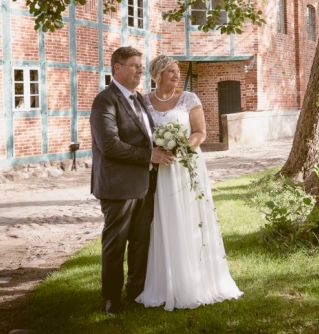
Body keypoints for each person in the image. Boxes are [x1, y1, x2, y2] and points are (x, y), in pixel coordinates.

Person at [136, 55, 243, 310]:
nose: (176, 75)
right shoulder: (144, 101)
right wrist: (158, 149)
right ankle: (165, 282)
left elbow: (200, 132)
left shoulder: (189, 99)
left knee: (189, 216)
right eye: (171, 71)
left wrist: (182, 146)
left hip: (186, 165)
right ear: (158, 75)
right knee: (164, 219)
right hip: (159, 169)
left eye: (177, 71)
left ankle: (196, 280)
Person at [90, 46, 172, 315]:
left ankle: (136, 291)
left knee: (140, 241)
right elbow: (109, 145)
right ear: (117, 68)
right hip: (118, 186)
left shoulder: (138, 99)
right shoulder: (105, 100)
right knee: (116, 243)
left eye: (140, 66)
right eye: (134, 65)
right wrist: (151, 155)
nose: (140, 70)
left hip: (145, 183)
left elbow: (146, 135)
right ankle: (111, 298)